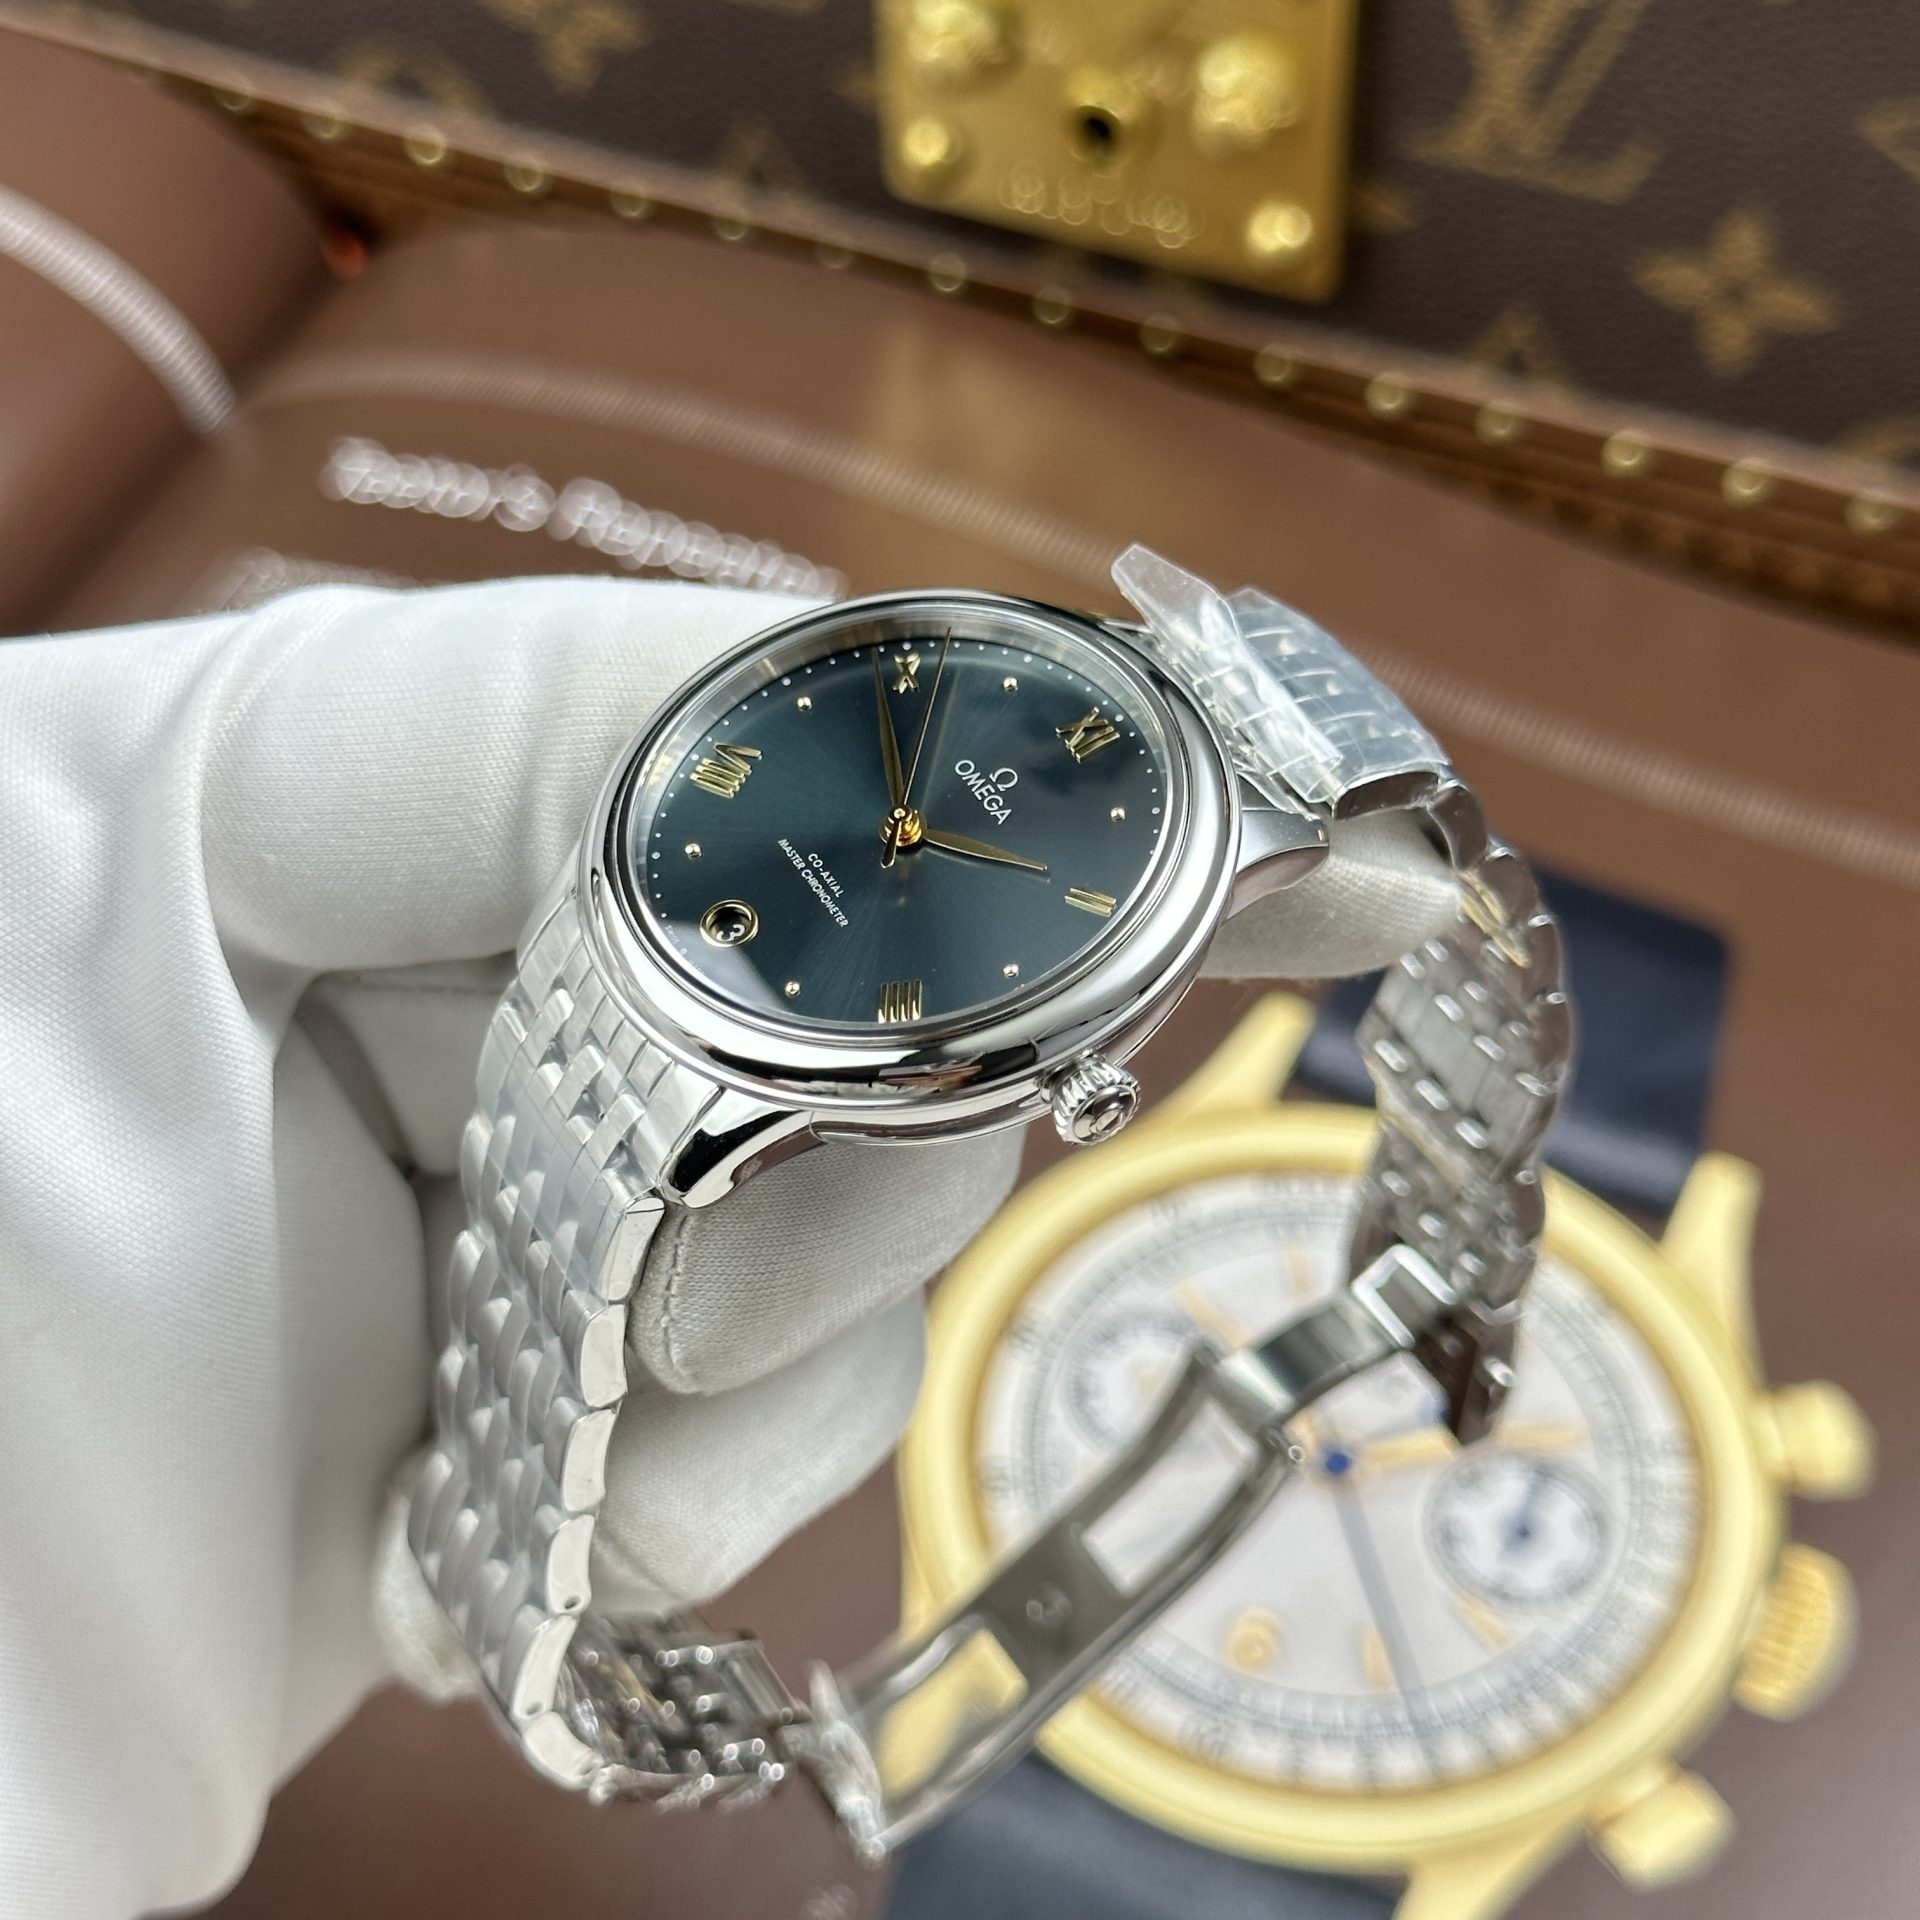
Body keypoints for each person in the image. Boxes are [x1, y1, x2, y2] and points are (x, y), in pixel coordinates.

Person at [0, 576, 1459, 1917]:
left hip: (766, 1015)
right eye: (904, 809)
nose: (903, 834)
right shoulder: (976, 702)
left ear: (1081, 1077)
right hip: (648, 944)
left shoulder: (1178, 858)